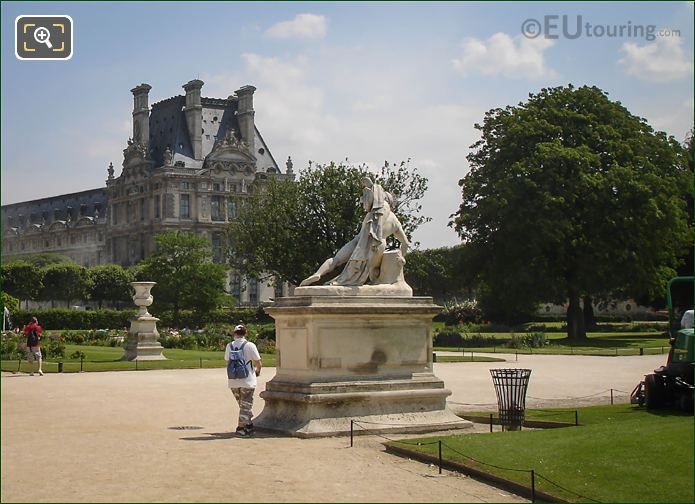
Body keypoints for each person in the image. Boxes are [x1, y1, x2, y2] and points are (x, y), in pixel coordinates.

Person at [300, 177, 408, 287]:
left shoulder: (371, 214)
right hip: (375, 246)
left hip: (357, 241)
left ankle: (318, 274)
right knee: (371, 272)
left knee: (336, 259)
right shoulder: (393, 221)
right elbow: (405, 243)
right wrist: (401, 256)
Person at [224, 324, 262, 437]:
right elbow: (258, 362)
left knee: (243, 405)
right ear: (245, 333)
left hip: (233, 380)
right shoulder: (250, 345)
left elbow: (227, 361)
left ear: (234, 333)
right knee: (246, 405)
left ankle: (249, 425)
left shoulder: (229, 346)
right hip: (247, 379)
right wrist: (257, 371)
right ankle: (241, 428)